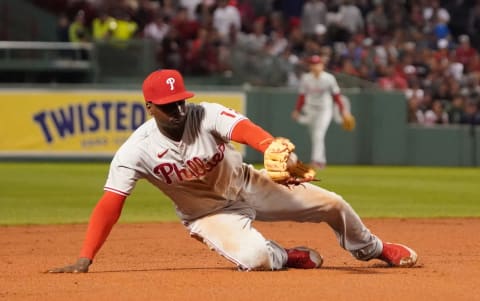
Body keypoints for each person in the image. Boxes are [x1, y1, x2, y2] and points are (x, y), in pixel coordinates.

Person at [47, 69, 417, 273]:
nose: (177, 112)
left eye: (179, 103)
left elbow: (243, 129)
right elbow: (111, 203)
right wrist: (86, 256)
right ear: (149, 107)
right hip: (207, 214)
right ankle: (286, 256)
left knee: (332, 203)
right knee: (256, 259)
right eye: (166, 107)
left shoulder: (204, 113)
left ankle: (374, 249)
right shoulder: (136, 151)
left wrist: (270, 146)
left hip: (248, 183)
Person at [291, 55, 355, 169]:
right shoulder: (306, 78)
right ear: (310, 66)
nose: (315, 66)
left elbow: (337, 97)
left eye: (317, 64)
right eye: (312, 64)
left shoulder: (329, 78)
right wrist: (297, 110)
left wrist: (343, 111)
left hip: (324, 109)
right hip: (310, 109)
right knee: (314, 136)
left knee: (318, 134)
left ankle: (316, 161)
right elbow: (302, 96)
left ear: (322, 65)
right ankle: (321, 161)